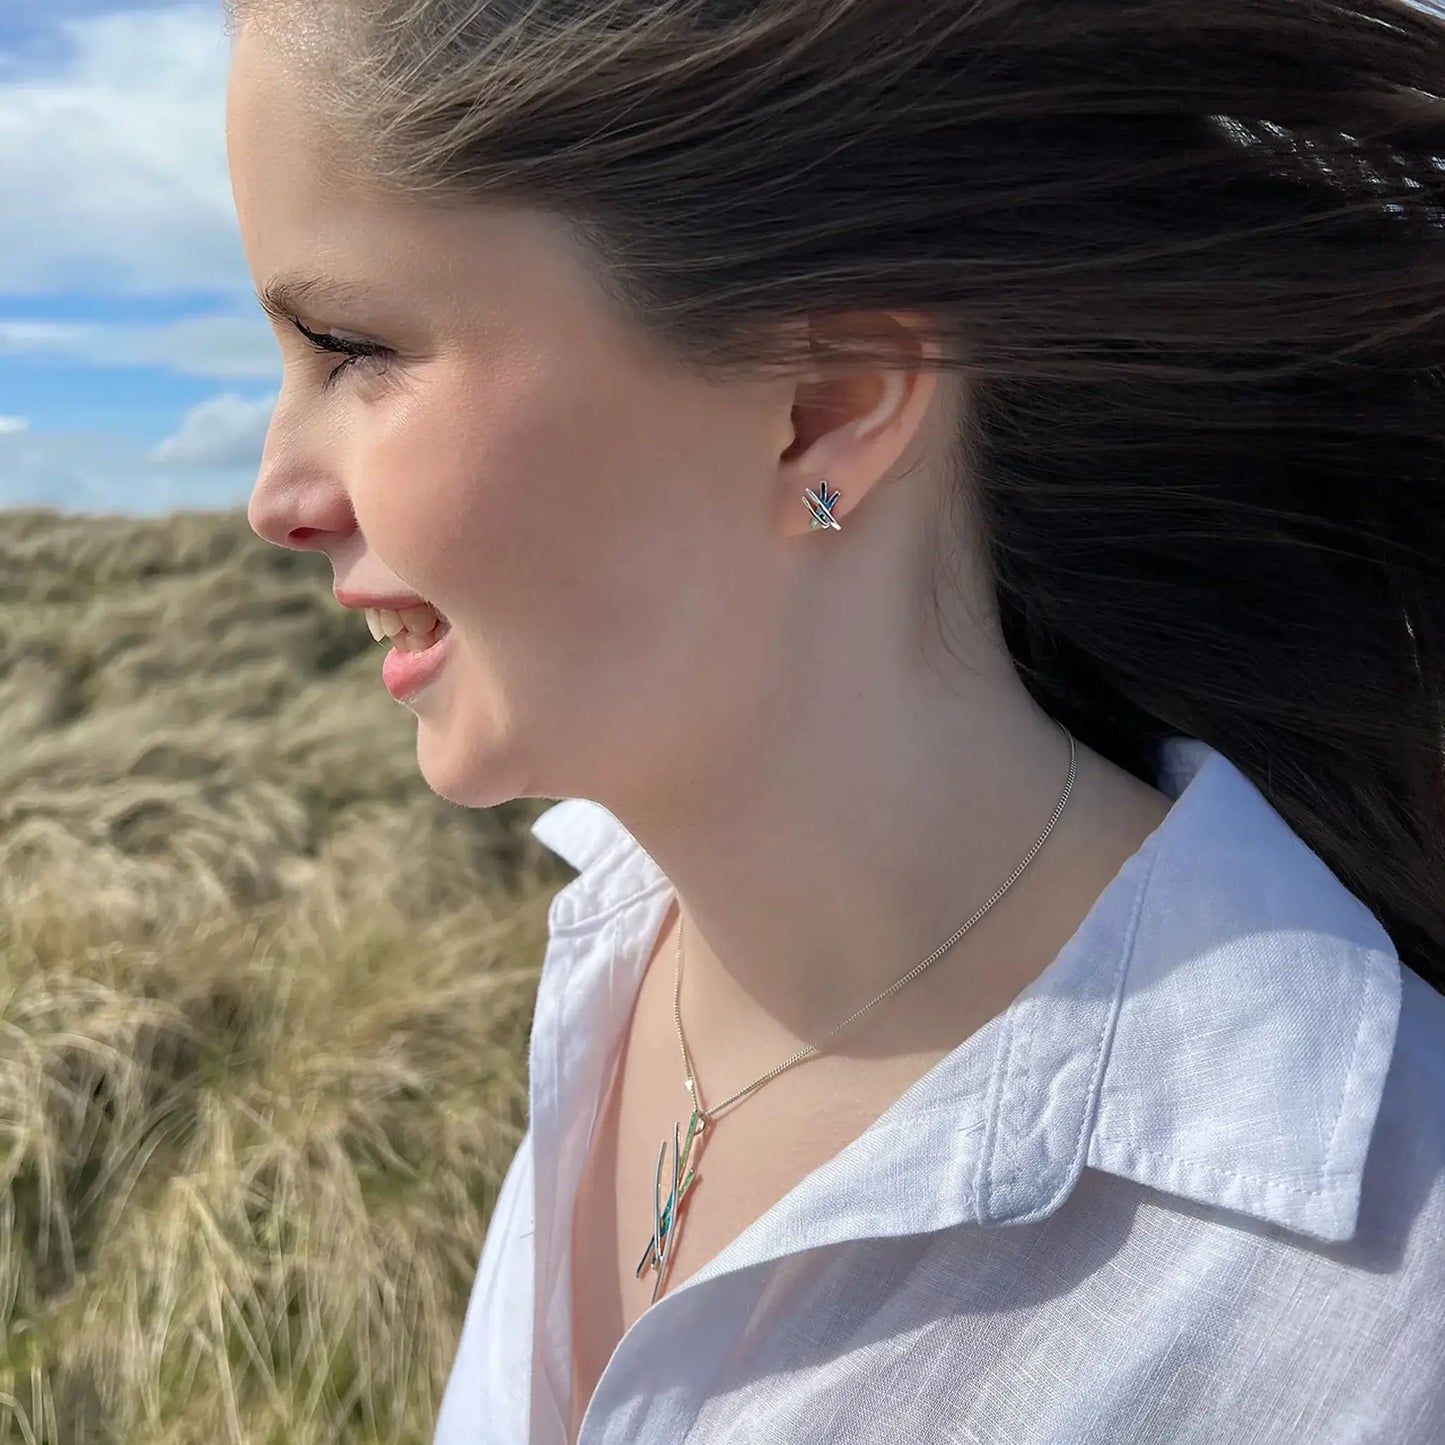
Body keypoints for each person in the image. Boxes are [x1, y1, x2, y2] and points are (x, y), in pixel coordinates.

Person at [223, 1, 1445, 1440]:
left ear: (824, 409)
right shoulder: (622, 953)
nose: (273, 496)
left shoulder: (1372, 1302)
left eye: (352, 346)